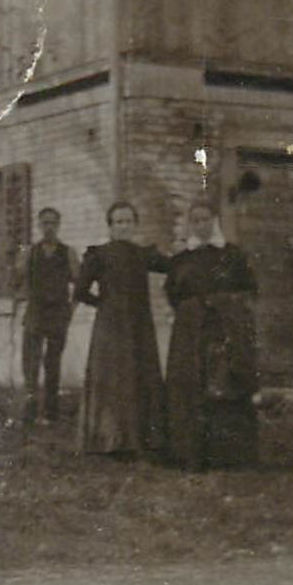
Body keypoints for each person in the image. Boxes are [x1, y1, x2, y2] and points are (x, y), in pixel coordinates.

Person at [165, 202, 260, 471]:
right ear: (190, 225)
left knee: (226, 385)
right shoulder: (182, 259)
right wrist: (193, 312)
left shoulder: (232, 255)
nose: (200, 225)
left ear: (214, 221)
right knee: (191, 387)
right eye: (195, 220)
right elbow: (172, 293)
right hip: (191, 333)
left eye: (205, 219)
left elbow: (249, 290)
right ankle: (191, 452)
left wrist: (223, 306)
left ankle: (228, 454)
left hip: (224, 332)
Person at [73, 201, 170, 456]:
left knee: (139, 374)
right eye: (119, 222)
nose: (124, 227)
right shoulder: (99, 255)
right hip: (111, 327)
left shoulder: (143, 254)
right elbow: (80, 290)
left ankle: (141, 438)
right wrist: (103, 305)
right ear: (110, 227)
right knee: (113, 376)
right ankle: (109, 439)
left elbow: (171, 266)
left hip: (139, 325)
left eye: (128, 221)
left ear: (135, 225)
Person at [16, 207, 79, 424]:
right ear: (38, 225)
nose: (49, 227)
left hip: (57, 314)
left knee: (53, 364)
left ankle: (51, 412)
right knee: (30, 364)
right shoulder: (30, 252)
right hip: (35, 314)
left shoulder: (68, 252)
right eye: (44, 223)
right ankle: (31, 411)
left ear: (58, 225)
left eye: (53, 223)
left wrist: (72, 309)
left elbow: (79, 284)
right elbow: (18, 280)